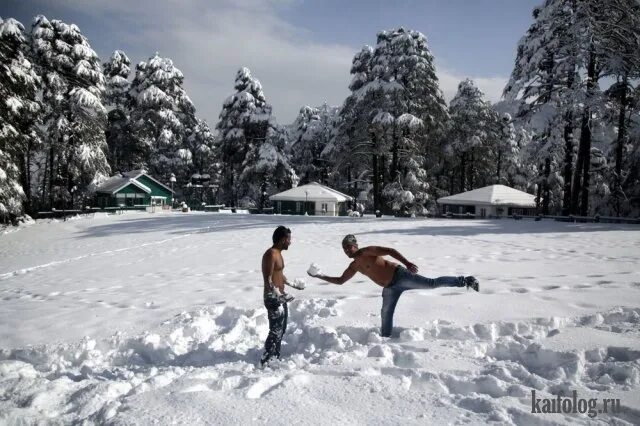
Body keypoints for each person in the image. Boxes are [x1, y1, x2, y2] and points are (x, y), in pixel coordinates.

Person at [308, 234, 479, 337]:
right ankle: (385, 338)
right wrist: (319, 275)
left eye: (349, 247)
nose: (347, 251)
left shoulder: (367, 251)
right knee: (385, 312)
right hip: (390, 288)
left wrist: (407, 263)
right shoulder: (354, 266)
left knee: (431, 284)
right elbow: (340, 281)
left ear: (355, 246)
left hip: (400, 275)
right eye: (344, 249)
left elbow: (390, 251)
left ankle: (465, 280)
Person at [260, 226, 304, 367]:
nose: (290, 242)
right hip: (273, 298)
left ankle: (275, 355)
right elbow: (268, 279)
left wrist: (292, 284)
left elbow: (278, 275)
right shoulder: (271, 254)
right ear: (282, 239)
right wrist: (278, 295)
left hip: (280, 297)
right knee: (276, 329)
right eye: (288, 239)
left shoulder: (278, 253)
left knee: (282, 328)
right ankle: (267, 359)